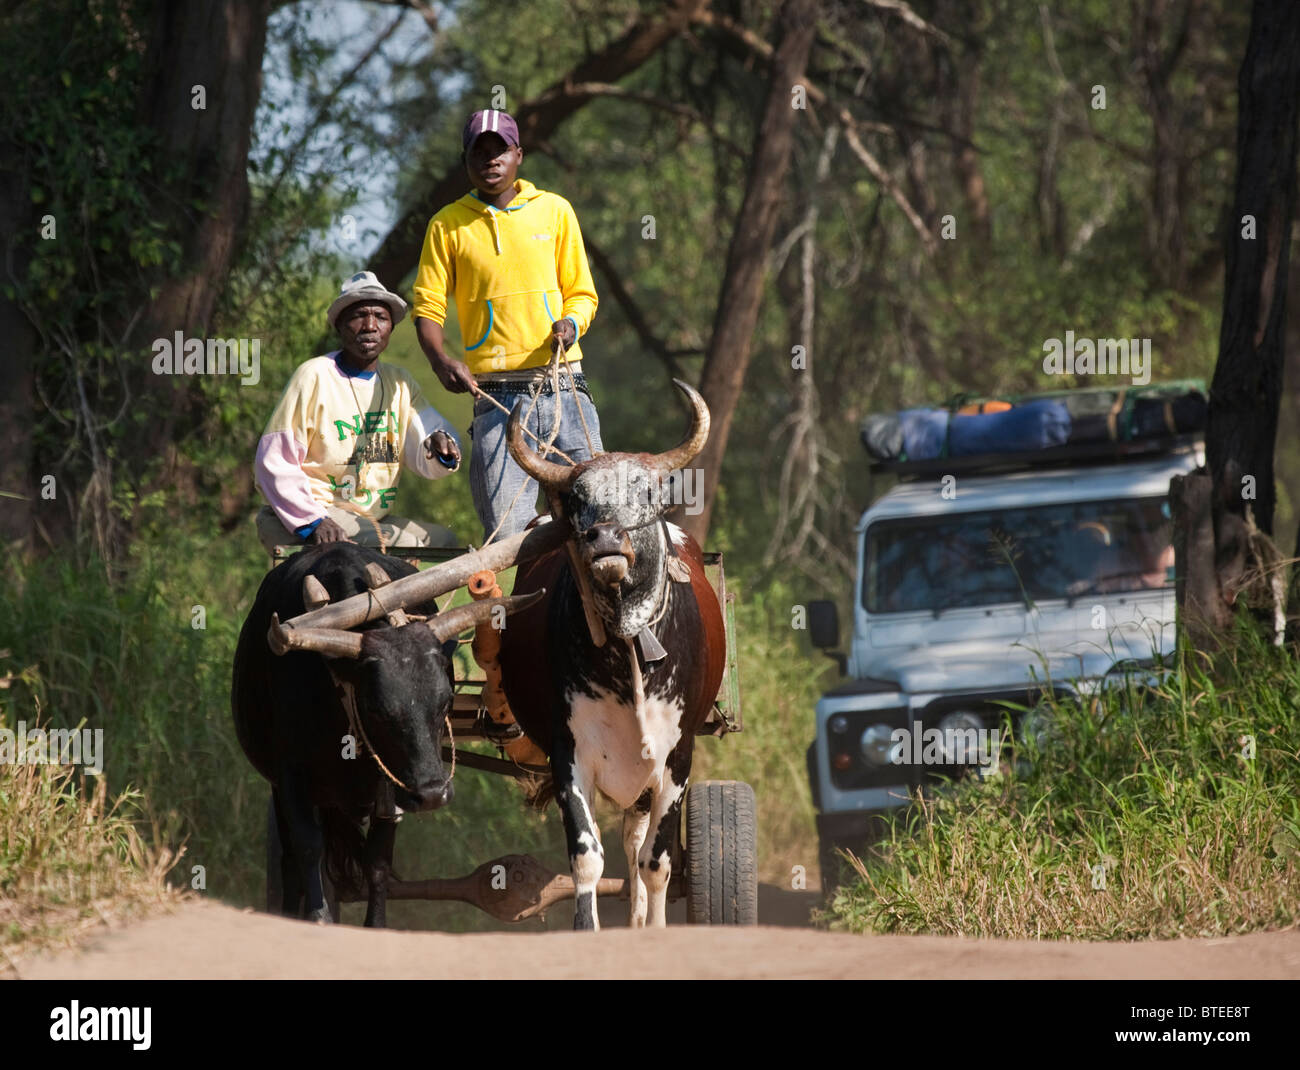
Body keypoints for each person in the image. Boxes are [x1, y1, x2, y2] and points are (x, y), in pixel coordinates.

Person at [412, 108, 603, 540]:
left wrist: (570, 324)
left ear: (519, 155)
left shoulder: (554, 211)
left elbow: (582, 293)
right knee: (508, 534)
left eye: (499, 150)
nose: (490, 160)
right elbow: (426, 308)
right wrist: (443, 362)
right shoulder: (447, 225)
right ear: (466, 162)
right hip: (496, 397)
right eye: (479, 152)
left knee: (599, 519)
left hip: (565, 388)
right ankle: (519, 609)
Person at [254, 270, 463, 553]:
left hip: (372, 517)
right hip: (320, 510)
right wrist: (315, 520)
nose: (369, 325)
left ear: (390, 327)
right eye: (358, 316)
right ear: (339, 326)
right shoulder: (314, 376)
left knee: (445, 545)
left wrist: (441, 446)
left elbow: (426, 444)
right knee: (411, 550)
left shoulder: (400, 383)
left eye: (380, 316)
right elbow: (273, 462)